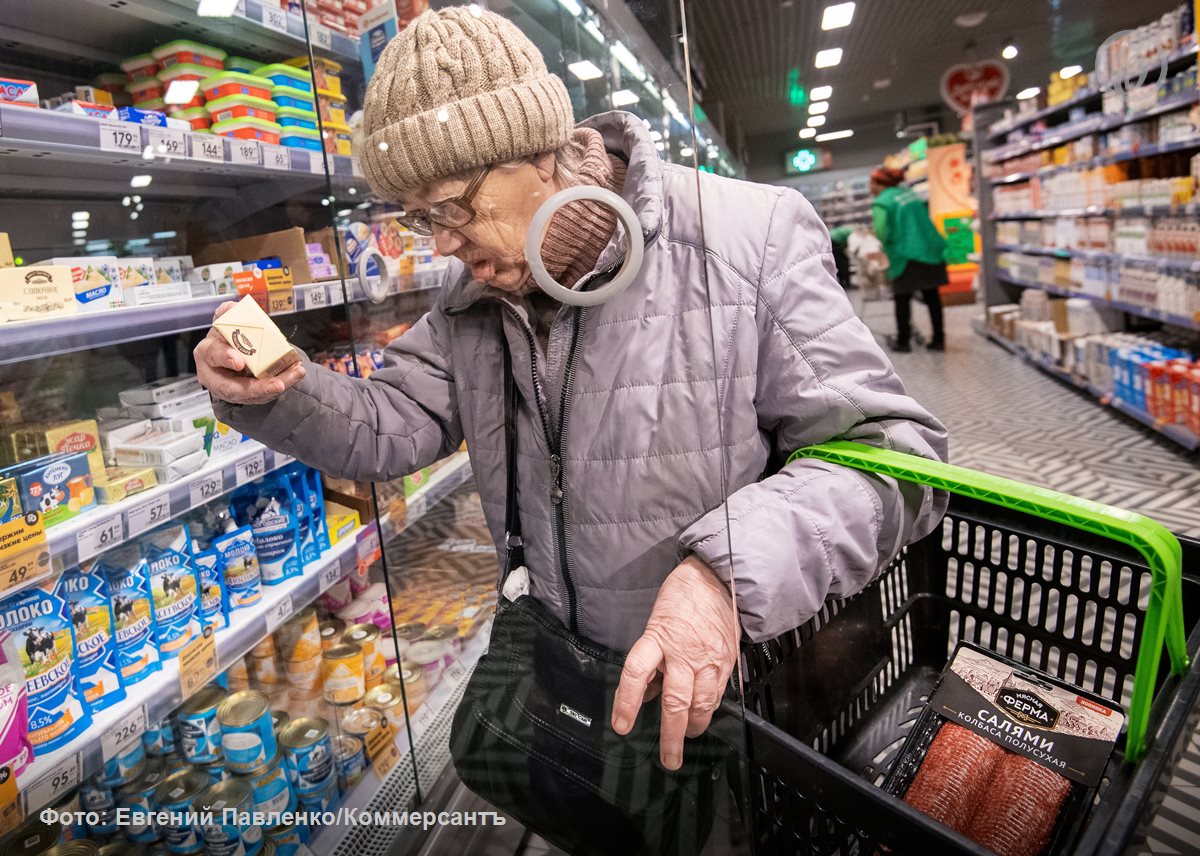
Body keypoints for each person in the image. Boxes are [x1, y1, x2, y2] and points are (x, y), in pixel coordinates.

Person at [195, 8, 948, 772]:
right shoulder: (472, 295)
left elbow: (896, 456)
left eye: (453, 206)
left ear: (542, 157)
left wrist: (725, 573)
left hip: (746, 692)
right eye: (420, 219)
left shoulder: (746, 238)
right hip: (578, 693)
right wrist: (275, 392)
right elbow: (397, 423)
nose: (444, 244)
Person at [870, 166, 948, 352]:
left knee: (902, 298)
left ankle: (903, 341)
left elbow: (882, 231)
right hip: (929, 249)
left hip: (906, 254)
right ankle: (938, 339)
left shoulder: (882, 202)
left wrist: (881, 244)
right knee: (932, 297)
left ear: (880, 185)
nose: (870, 187)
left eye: (871, 183)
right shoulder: (911, 194)